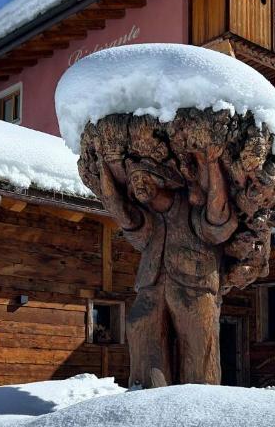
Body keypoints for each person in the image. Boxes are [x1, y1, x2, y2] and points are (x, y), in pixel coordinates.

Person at [97, 147, 238, 386]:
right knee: (140, 328)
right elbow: (119, 210)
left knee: (198, 349)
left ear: (162, 180)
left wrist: (213, 163)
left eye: (144, 178)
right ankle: (147, 398)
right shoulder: (149, 221)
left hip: (194, 285)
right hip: (151, 286)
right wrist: (102, 166)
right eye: (134, 181)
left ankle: (202, 406)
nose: (138, 185)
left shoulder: (191, 206)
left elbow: (218, 216)